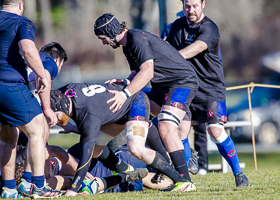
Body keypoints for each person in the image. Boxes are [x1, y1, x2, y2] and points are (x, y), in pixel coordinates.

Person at [94, 13, 199, 192]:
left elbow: (148, 72)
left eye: (103, 38)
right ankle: (167, 166)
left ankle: (185, 181)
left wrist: (124, 94)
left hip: (182, 83)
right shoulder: (127, 46)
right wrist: (125, 83)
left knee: (166, 127)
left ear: (110, 32)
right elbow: (137, 73)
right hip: (163, 87)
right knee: (139, 106)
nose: (103, 43)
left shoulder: (136, 38)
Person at [50, 82, 194, 196]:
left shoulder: (88, 116)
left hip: (135, 102)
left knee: (136, 148)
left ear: (61, 108)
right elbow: (51, 93)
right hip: (117, 110)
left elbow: (84, 161)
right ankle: (123, 168)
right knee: (95, 149)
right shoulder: (66, 91)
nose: (52, 120)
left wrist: (72, 190)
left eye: (53, 116)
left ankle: (182, 181)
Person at [165, 0, 248, 187]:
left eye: (195, 5)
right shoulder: (176, 27)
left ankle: (239, 174)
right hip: (186, 87)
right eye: (187, 6)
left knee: (215, 131)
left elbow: (197, 48)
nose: (191, 10)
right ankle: (184, 180)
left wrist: (172, 57)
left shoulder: (210, 28)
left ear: (203, 4)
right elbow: (165, 47)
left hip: (210, 89)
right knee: (179, 130)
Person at [0, 0, 61, 198]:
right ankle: (37, 186)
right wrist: (42, 74)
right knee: (38, 128)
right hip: (9, 84)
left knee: (8, 138)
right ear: (20, 4)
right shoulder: (21, 22)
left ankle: (9, 189)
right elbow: (27, 49)